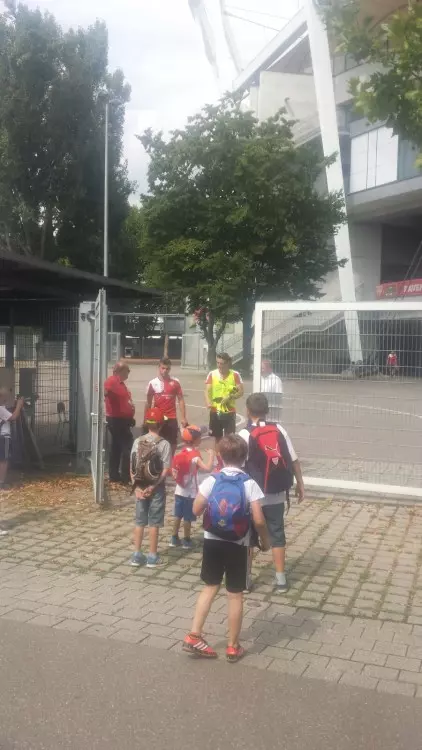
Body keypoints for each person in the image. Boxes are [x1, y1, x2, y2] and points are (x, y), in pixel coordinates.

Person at [183, 434, 270, 662]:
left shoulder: (212, 480)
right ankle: (232, 646)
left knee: (210, 586)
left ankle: (194, 635)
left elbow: (195, 509)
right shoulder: (249, 483)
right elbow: (259, 520)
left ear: (220, 456)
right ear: (245, 457)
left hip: (212, 540)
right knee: (235, 595)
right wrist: (265, 541)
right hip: (237, 543)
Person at [239, 393, 305, 594]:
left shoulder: (244, 434)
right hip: (276, 492)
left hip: (253, 496)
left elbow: (239, 467)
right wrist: (300, 484)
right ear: (267, 410)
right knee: (277, 533)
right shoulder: (279, 430)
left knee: (248, 536)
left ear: (248, 411)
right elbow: (293, 460)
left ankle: (246, 579)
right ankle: (281, 579)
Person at [130, 407, 171, 568]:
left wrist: (138, 487)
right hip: (156, 488)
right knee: (154, 522)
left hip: (140, 486)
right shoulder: (164, 444)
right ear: (161, 425)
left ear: (147, 424)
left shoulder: (137, 441)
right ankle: (152, 557)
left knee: (140, 521)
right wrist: (153, 487)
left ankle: (136, 555)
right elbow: (165, 469)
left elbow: (132, 466)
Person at [170, 425, 215, 549]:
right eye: (200, 437)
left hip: (179, 490)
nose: (201, 439)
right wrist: (211, 455)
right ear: (195, 440)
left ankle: (174, 538)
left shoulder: (180, 452)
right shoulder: (195, 455)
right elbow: (208, 469)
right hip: (189, 492)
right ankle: (187, 539)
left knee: (178, 515)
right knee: (188, 517)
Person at [145, 358, 188, 455]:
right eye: (163, 368)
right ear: (159, 368)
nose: (165, 371)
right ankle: (158, 463)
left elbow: (181, 400)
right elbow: (148, 403)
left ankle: (170, 461)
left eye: (167, 369)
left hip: (171, 417)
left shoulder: (175, 382)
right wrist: (146, 418)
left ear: (170, 369)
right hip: (157, 418)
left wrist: (183, 417)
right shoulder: (152, 383)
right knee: (156, 441)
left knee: (172, 442)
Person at [104, 362, 135, 484]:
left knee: (116, 447)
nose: (128, 373)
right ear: (121, 371)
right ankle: (125, 476)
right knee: (127, 447)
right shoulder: (112, 381)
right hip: (116, 420)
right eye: (128, 371)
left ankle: (114, 474)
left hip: (123, 419)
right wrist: (107, 394)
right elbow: (106, 391)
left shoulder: (121, 384)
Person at [205, 353, 244, 442]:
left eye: (222, 363)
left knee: (230, 438)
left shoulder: (235, 375)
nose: (219, 366)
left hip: (229, 411)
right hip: (215, 411)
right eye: (218, 363)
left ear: (228, 363)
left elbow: (241, 392)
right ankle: (218, 456)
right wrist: (208, 401)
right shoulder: (212, 374)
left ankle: (227, 455)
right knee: (217, 438)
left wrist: (230, 397)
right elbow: (207, 390)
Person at [0, 389, 24, 511]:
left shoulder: (2, 408)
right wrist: (19, 406)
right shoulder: (1, 409)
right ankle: (1, 482)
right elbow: (14, 417)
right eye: (6, 397)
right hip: (3, 437)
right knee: (4, 460)